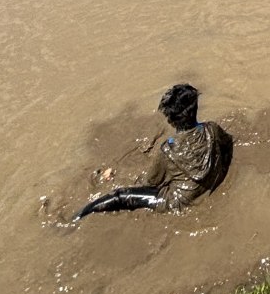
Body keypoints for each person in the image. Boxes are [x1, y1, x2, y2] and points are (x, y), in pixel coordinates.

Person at [75, 83, 232, 219]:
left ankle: (77, 217)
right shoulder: (212, 129)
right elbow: (227, 143)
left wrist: (118, 177)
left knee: (120, 196)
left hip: (177, 201)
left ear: (170, 119)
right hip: (209, 184)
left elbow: (150, 182)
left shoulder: (168, 150)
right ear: (195, 108)